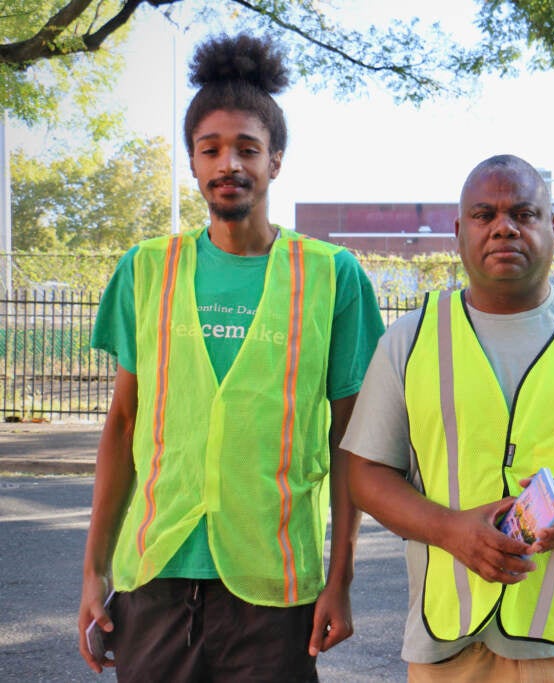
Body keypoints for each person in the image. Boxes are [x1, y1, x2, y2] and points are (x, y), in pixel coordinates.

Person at [77, 33, 385, 681]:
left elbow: (350, 443)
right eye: (210, 148)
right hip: (155, 577)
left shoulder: (332, 275)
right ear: (192, 162)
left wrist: (341, 577)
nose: (229, 164)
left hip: (274, 587)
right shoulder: (146, 270)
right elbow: (124, 425)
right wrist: (93, 568)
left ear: (276, 160)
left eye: (247, 147)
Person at [344, 154, 554, 681]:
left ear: (553, 227)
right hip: (450, 641)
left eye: (524, 213)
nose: (504, 227)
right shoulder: (409, 340)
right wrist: (451, 529)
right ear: (459, 232)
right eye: (484, 215)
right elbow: (365, 473)